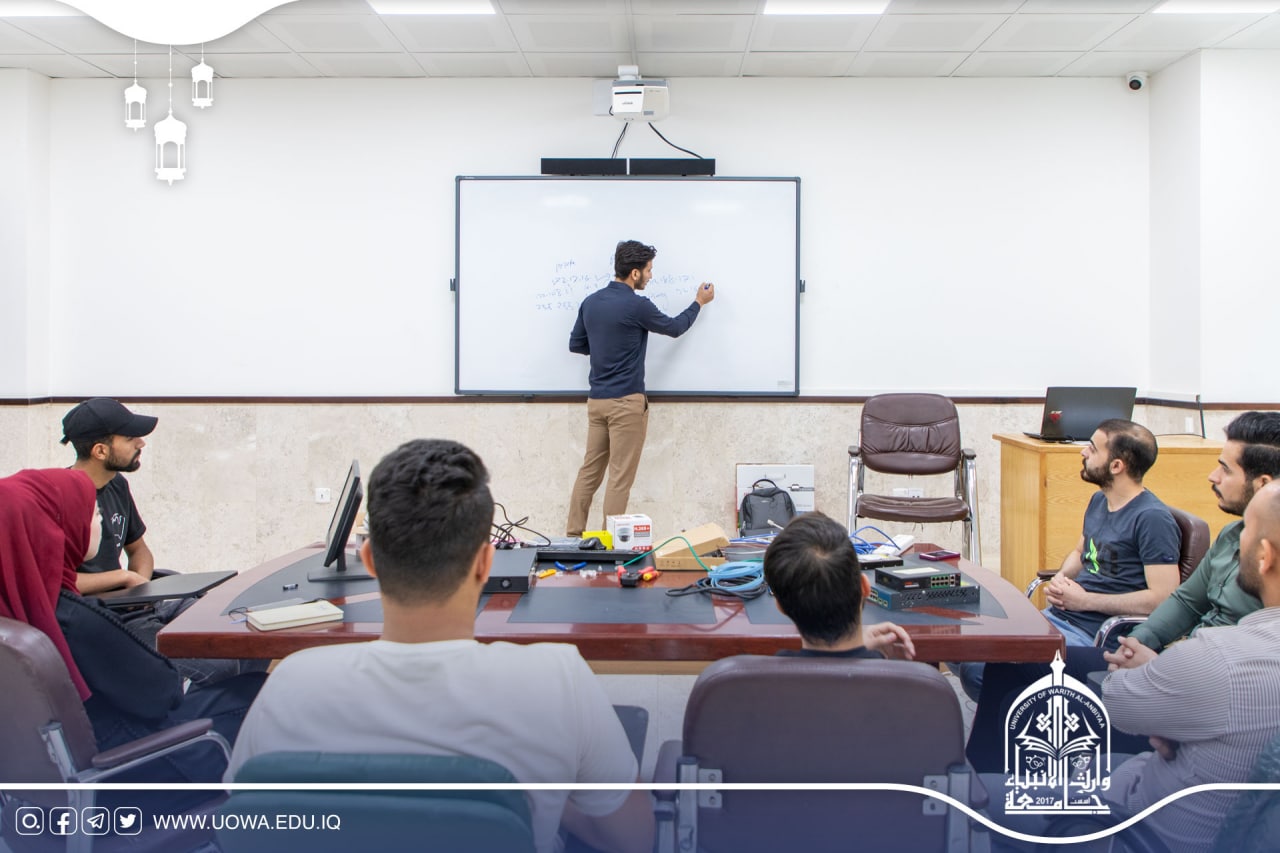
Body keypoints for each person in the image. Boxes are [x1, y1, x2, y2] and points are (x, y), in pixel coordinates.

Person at [228, 439, 652, 853]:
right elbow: (634, 838)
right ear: (486, 563)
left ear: (370, 560)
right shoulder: (558, 679)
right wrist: (554, 802)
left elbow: (245, 824)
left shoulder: (289, 683)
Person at [966, 411, 1280, 772]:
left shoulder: (1160, 521)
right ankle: (976, 780)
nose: (1213, 476)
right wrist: (1136, 644)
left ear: (1262, 484)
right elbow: (1185, 602)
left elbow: (1239, 672)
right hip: (1175, 665)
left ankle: (1010, 787)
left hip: (1203, 684)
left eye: (1225, 468)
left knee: (1032, 709)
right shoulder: (1229, 536)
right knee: (1008, 665)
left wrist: (1158, 669)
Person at [0, 468, 264, 784]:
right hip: (131, 761)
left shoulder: (15, 610)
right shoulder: (75, 621)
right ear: (54, 528)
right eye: (93, 513)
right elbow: (161, 694)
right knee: (262, 690)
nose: (100, 521)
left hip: (60, 764)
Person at [1090, 480, 1280, 852]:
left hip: (1130, 826)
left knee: (979, 801)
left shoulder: (1219, 658)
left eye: (1247, 529)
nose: (1237, 539)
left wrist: (1166, 691)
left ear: (1264, 556)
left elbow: (1117, 701)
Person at [957, 419, 1180, 699]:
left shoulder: (1152, 519)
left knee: (978, 669)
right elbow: (1080, 552)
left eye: (1092, 448)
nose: (1083, 452)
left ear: (1116, 466)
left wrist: (1086, 601)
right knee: (961, 646)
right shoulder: (1100, 501)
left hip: (1096, 635)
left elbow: (1163, 598)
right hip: (1062, 617)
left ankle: (1021, 716)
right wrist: (1061, 579)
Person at [565, 240, 715, 536]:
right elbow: (675, 328)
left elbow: (576, 344)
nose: (650, 276)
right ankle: (609, 545)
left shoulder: (591, 302)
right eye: (648, 270)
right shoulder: (637, 305)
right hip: (625, 404)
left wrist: (605, 348)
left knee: (589, 472)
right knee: (619, 478)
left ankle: (571, 536)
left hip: (597, 402)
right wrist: (698, 302)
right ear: (634, 273)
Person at [763, 512, 915, 660]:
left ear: (780, 606)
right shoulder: (913, 675)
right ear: (865, 587)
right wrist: (863, 651)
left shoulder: (768, 672)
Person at [61, 397, 159, 595]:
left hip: (124, 602)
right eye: (130, 438)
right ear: (100, 451)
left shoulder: (117, 484)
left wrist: (138, 589)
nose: (141, 443)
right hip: (85, 608)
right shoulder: (60, 498)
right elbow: (54, 581)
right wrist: (124, 577)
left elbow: (139, 550)